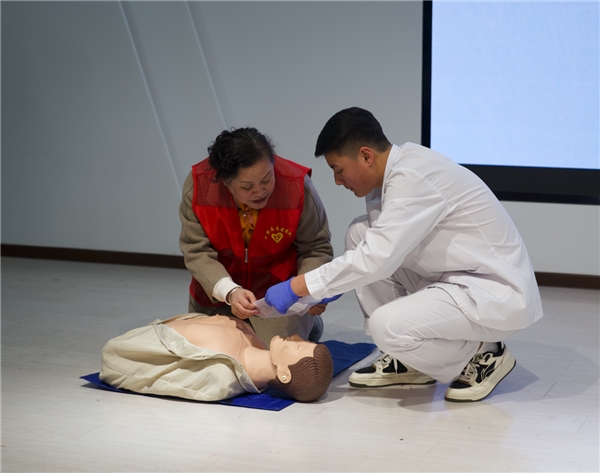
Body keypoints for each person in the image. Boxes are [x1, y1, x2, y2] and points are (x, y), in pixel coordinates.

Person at [265, 107, 544, 403]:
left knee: (386, 325)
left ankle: (485, 354)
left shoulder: (413, 176)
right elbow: (377, 251)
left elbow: (376, 259)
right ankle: (411, 359)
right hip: (457, 276)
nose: (337, 180)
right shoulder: (389, 177)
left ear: (366, 156)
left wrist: (300, 286)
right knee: (359, 233)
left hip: (491, 289)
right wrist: (321, 288)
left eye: (338, 169)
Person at [179, 127, 334, 348]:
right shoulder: (200, 187)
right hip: (218, 291)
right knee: (208, 351)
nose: (260, 191)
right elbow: (196, 251)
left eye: (267, 179)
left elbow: (316, 247)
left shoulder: (296, 186)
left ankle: (311, 325)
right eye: (247, 186)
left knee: (271, 352)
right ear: (225, 181)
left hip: (278, 295)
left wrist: (308, 292)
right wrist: (229, 291)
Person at [100, 313, 334, 403]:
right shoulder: (255, 341)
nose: (295, 337)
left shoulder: (219, 374)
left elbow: (116, 358)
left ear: (284, 374)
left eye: (298, 346)